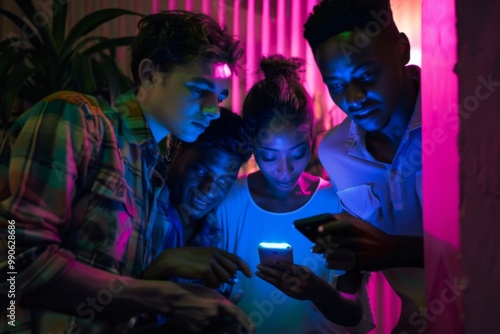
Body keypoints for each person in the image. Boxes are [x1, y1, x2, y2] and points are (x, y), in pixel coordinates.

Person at [0, 10, 254, 334]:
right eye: (197, 89)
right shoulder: (77, 118)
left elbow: (112, 303)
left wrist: (192, 307)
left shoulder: (156, 181)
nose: (212, 111)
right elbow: (16, 262)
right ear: (149, 75)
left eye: (219, 98)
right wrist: (169, 298)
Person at [216, 55, 375, 333]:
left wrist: (317, 291)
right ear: (252, 145)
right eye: (269, 156)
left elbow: (353, 313)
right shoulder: (228, 201)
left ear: (311, 138)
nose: (285, 170)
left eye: (298, 153)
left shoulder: (336, 203)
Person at [304, 0, 425, 332]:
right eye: (337, 86)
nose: (354, 98)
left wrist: (395, 251)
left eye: (367, 75)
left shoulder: (463, 123)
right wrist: (349, 256)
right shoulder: (334, 151)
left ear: (402, 49)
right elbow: (353, 288)